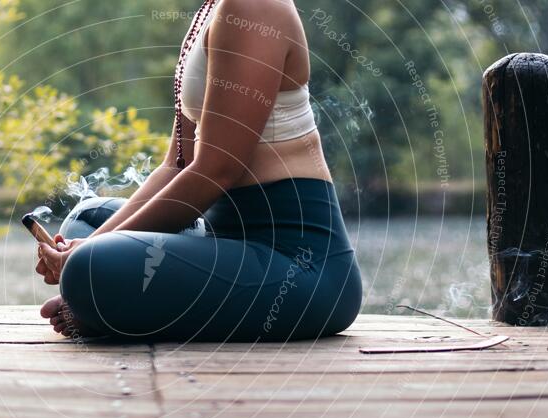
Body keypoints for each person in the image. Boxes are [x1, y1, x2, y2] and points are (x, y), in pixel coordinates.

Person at [35, 0, 362, 342]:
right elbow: (176, 165)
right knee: (85, 221)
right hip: (220, 240)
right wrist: (84, 245)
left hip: (299, 266)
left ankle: (101, 304)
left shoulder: (254, 8)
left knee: (91, 266)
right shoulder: (212, 10)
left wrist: (83, 257)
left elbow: (215, 171)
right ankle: (103, 303)